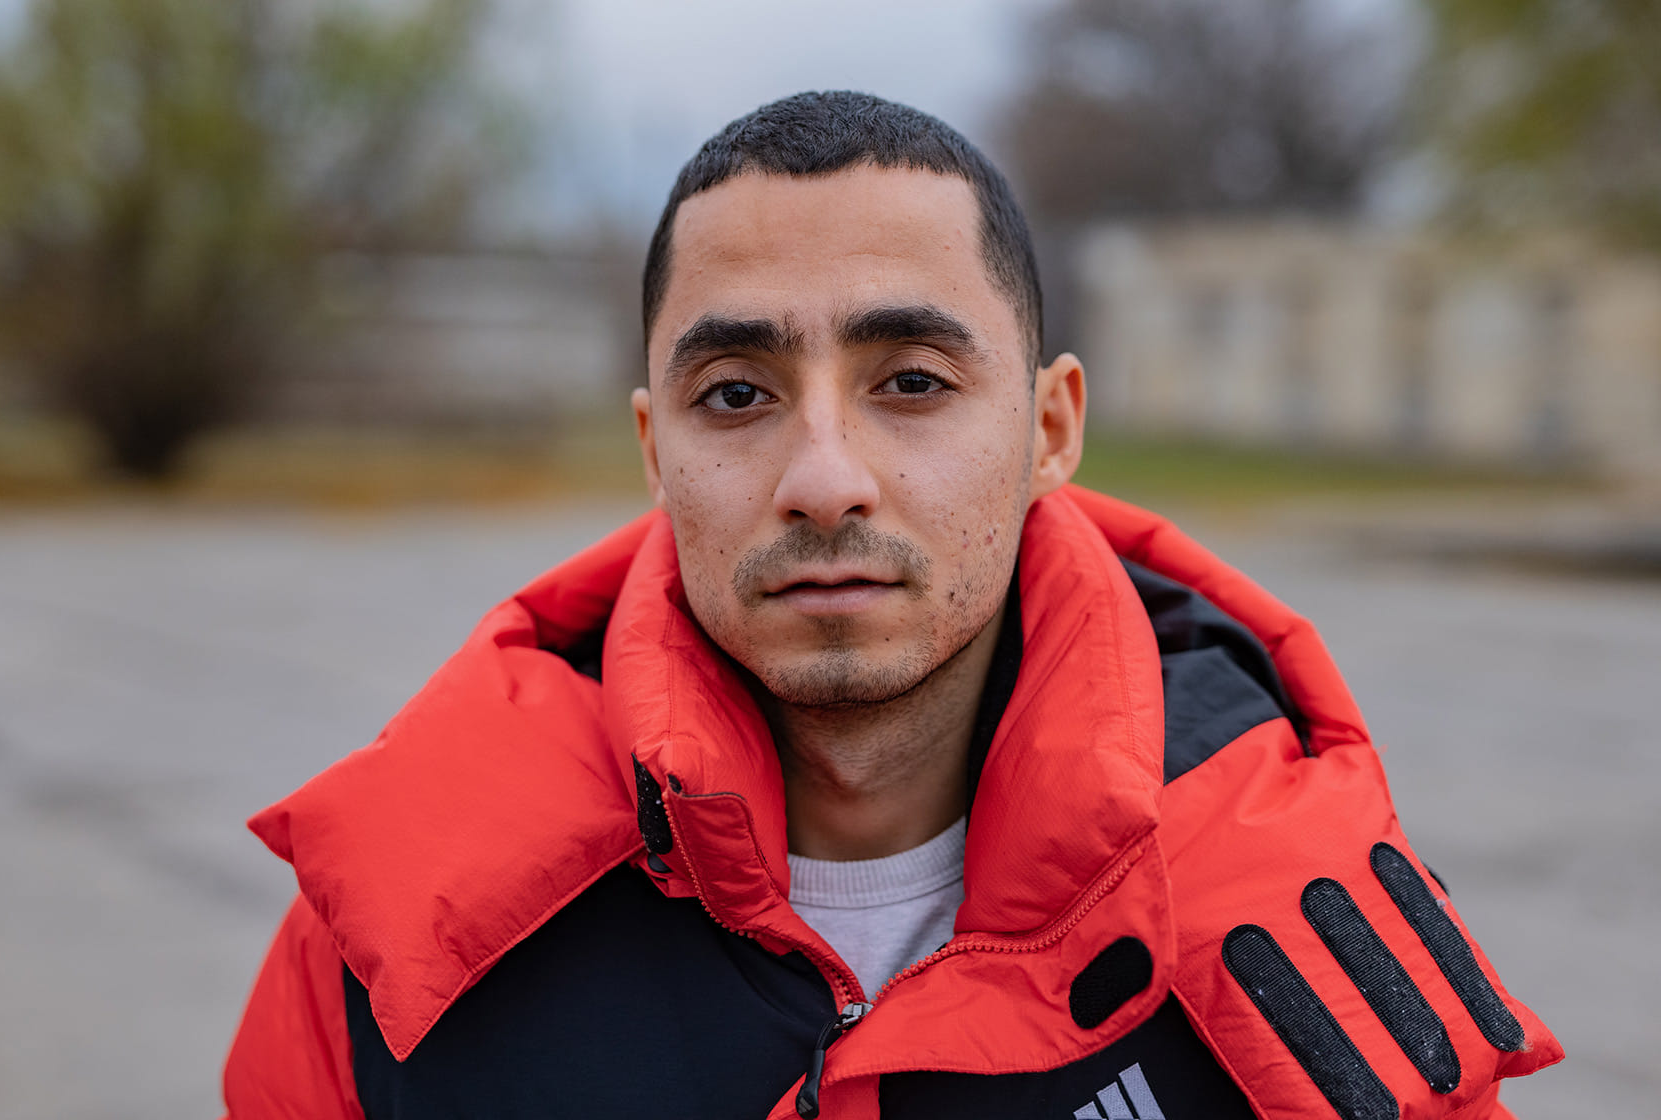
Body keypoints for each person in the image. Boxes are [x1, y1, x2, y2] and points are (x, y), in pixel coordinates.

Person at [223, 91, 1560, 1120]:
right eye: (735, 394)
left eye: (912, 381)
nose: (824, 478)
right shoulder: (412, 918)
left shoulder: (1286, 890)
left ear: (1050, 428)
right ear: (653, 449)